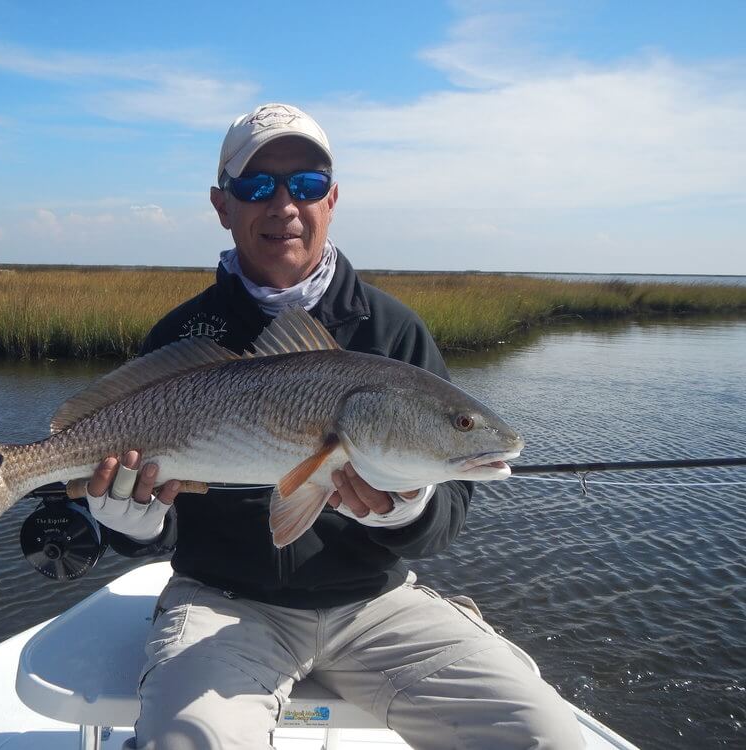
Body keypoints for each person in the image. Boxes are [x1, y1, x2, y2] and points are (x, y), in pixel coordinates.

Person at [83, 103, 584, 750]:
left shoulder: (393, 330)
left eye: (308, 184)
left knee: (543, 735)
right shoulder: (181, 335)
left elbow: (449, 515)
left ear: (333, 199)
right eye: (257, 185)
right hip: (223, 599)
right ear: (222, 204)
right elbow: (162, 521)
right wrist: (133, 522)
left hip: (375, 603)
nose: (284, 204)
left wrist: (404, 506)